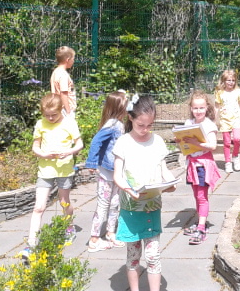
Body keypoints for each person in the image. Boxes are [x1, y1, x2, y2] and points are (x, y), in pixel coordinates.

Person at [113, 95, 177, 291]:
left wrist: (170, 182)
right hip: (131, 210)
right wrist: (128, 190)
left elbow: (163, 169)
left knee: (153, 255)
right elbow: (117, 176)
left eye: (150, 125)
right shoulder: (123, 142)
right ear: (130, 118)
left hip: (151, 208)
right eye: (141, 125)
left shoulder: (157, 141)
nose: (145, 129)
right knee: (133, 257)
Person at [20, 93, 84, 262]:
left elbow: (79, 144)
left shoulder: (69, 123)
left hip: (64, 169)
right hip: (45, 170)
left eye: (53, 115)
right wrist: (43, 154)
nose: (50, 118)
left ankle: (69, 227)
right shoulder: (40, 124)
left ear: (61, 109)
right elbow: (35, 146)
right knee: (38, 207)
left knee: (64, 202)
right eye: (46, 115)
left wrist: (69, 152)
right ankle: (31, 243)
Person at [85, 90, 128, 252]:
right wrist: (92, 162)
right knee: (103, 205)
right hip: (106, 172)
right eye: (125, 106)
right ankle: (94, 239)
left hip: (116, 172)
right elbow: (96, 141)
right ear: (118, 108)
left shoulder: (119, 124)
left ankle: (110, 232)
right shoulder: (112, 124)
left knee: (115, 203)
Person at [179, 90, 221, 245]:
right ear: (191, 108)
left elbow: (213, 146)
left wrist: (196, 143)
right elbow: (185, 144)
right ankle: (199, 222)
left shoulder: (209, 125)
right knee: (197, 195)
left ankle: (202, 228)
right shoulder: (188, 123)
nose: (198, 111)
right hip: (192, 164)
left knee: (202, 196)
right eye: (195, 108)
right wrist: (180, 141)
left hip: (203, 165)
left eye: (201, 108)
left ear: (207, 108)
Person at [214, 70, 240, 173]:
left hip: (236, 119)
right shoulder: (220, 93)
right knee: (227, 142)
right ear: (224, 81)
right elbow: (216, 107)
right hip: (225, 120)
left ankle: (235, 157)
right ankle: (227, 162)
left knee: (237, 139)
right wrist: (215, 120)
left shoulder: (238, 92)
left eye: (233, 80)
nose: (231, 82)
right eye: (228, 80)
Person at [50, 46, 77, 118]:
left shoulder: (55, 72)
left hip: (57, 106)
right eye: (73, 59)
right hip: (65, 109)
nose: (73, 61)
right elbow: (63, 94)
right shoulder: (63, 75)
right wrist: (68, 111)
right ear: (68, 60)